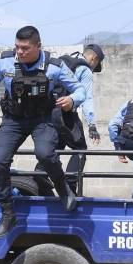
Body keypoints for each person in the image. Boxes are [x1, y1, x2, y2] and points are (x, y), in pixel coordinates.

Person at [0, 26, 86, 238]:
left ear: (38, 47)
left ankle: (63, 189)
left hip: (42, 120)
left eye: (25, 48)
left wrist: (72, 100)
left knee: (45, 154)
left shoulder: (54, 66)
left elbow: (80, 89)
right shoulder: (6, 63)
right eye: (17, 47)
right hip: (13, 119)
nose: (20, 52)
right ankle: (7, 213)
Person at [45, 44, 104, 194]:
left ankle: (41, 176)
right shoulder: (85, 70)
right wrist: (92, 125)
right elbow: (87, 98)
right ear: (94, 58)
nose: (94, 68)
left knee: (55, 147)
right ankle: (71, 185)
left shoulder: (62, 62)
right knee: (80, 149)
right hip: (65, 112)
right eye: (96, 64)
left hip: (48, 112)